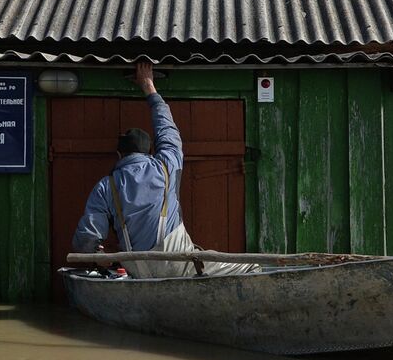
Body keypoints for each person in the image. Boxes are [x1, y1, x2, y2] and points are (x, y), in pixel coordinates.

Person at [71, 61, 255, 278]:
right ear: (149, 151)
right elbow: (168, 131)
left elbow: (88, 236)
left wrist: (95, 255)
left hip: (138, 271)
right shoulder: (165, 165)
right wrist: (149, 87)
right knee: (251, 269)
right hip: (180, 264)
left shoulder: (105, 186)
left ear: (120, 155)